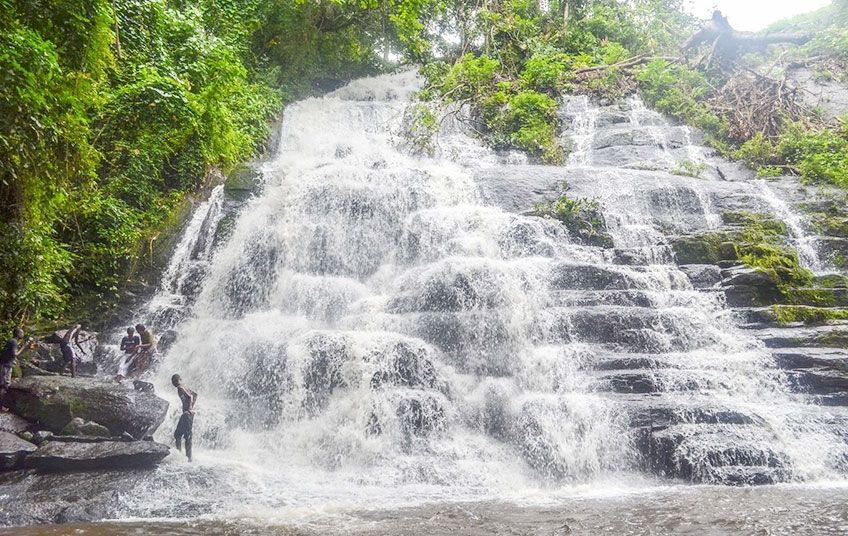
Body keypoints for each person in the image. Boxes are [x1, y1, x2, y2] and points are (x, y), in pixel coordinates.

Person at [1, 327, 36, 412]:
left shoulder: (13, 342)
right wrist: (24, 346)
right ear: (19, 334)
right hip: (5, 366)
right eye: (22, 333)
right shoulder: (13, 342)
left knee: (4, 385)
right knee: (3, 386)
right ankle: (1, 406)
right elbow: (14, 354)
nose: (23, 335)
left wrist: (27, 348)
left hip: (7, 365)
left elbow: (17, 354)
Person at [172, 374, 198, 461]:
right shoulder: (185, 386)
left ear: (180, 379)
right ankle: (187, 457)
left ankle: (185, 457)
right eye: (173, 381)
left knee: (179, 435)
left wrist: (189, 408)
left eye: (175, 380)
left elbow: (190, 396)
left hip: (187, 414)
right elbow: (195, 395)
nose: (174, 383)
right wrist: (191, 408)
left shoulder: (180, 387)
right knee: (185, 435)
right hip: (189, 414)